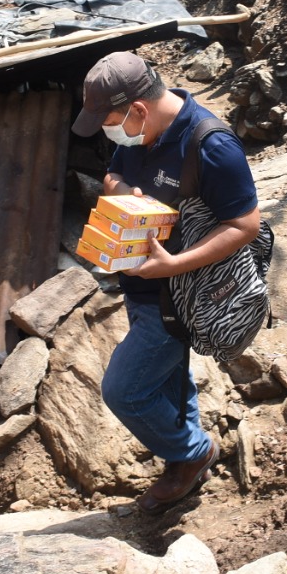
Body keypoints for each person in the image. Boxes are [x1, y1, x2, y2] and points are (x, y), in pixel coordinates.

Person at [72, 52, 260, 513]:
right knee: (171, 380)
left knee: (125, 391)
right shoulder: (138, 134)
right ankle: (186, 458)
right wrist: (115, 188)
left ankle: (193, 454)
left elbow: (244, 226)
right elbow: (115, 172)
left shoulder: (211, 145)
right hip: (141, 286)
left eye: (109, 120)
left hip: (178, 296)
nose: (106, 131)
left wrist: (173, 266)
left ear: (138, 109)